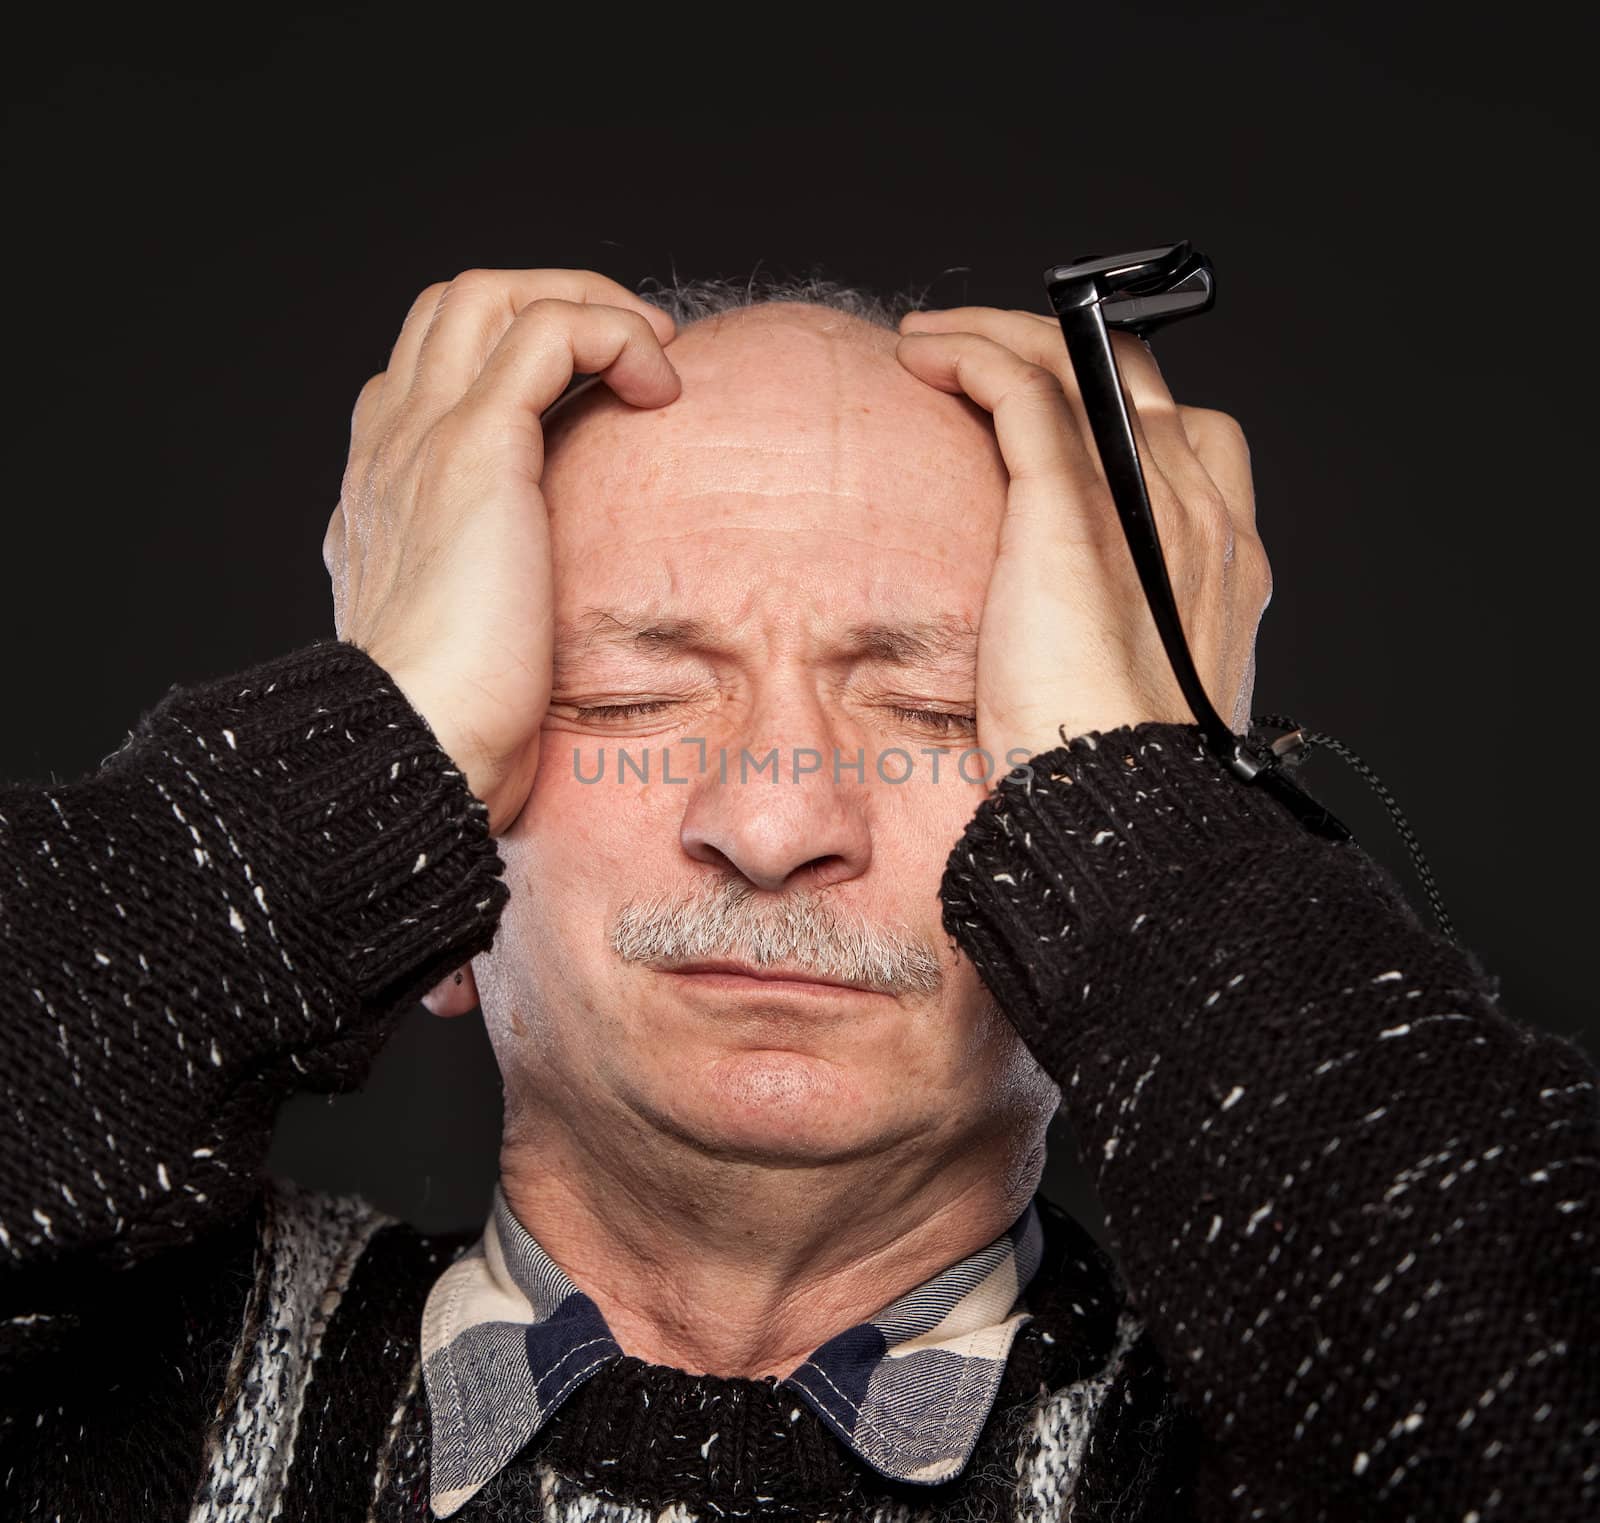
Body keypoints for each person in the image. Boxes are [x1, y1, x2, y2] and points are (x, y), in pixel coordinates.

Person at [1, 267, 1593, 1523]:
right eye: (621, 699)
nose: (771, 824)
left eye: (946, 714)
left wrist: (1150, 823)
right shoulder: (90, 1390)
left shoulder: (1304, 1447)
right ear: (418, 876)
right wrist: (360, 758)